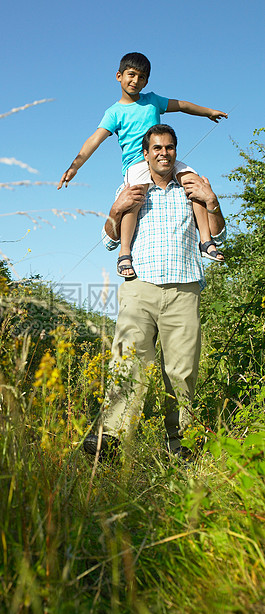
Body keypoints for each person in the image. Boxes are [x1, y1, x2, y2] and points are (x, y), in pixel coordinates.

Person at [82, 124, 226, 460]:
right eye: (157, 148)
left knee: (181, 371)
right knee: (129, 362)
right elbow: (108, 240)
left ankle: (182, 446)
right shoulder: (134, 187)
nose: (164, 153)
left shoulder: (191, 186)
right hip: (140, 288)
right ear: (146, 153)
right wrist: (116, 210)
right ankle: (110, 440)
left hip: (184, 287)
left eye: (170, 147)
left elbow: (217, 238)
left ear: (176, 152)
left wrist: (213, 201)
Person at [57, 52, 227, 277]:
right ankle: (124, 253)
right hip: (137, 163)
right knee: (135, 197)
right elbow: (94, 140)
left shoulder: (153, 101)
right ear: (119, 76)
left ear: (147, 81)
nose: (136, 81)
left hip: (162, 159)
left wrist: (208, 112)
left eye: (142, 77)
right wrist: (75, 166)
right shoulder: (114, 112)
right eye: (131, 75)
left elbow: (182, 105)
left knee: (194, 183)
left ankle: (206, 242)